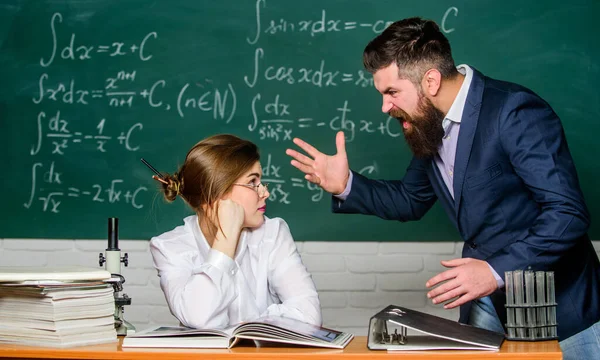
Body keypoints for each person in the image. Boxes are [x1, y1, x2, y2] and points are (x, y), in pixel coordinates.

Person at [286, 17, 599, 359]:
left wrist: (495, 272)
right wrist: (345, 184)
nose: (385, 107)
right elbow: (410, 200)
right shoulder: (428, 125)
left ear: (431, 81)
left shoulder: (514, 111)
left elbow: (567, 214)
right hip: (488, 306)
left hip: (560, 309)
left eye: (392, 92)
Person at [150, 134, 321, 329]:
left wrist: (244, 325)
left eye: (260, 181)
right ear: (216, 193)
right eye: (252, 183)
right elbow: (197, 317)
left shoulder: (273, 233)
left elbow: (309, 315)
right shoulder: (170, 247)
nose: (265, 192)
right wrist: (226, 239)